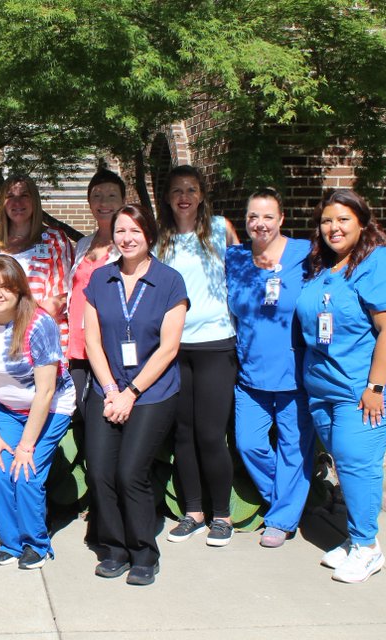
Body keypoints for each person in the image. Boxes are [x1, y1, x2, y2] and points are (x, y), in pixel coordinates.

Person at [295, 189, 386, 583]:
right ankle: (356, 539)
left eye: (343, 219)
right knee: (345, 458)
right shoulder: (324, 267)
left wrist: (376, 387)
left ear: (362, 222)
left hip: (368, 388)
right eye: (327, 220)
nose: (334, 227)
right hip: (326, 387)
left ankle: (367, 548)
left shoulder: (379, 262)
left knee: (355, 457)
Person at [82, 204, 189, 586]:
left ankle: (144, 552)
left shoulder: (170, 281)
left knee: (130, 472)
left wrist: (130, 392)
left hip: (151, 392)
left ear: (150, 235)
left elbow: (168, 348)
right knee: (98, 470)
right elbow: (91, 340)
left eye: (135, 231)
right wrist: (111, 389)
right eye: (121, 231)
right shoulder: (99, 280)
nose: (127, 238)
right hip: (106, 388)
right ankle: (113, 548)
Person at [0, 256, 75, 570]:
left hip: (49, 407)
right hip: (6, 410)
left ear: (19, 289)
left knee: (26, 474)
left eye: (6, 286)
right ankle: (10, 542)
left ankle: (36, 544)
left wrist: (26, 446)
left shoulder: (39, 324)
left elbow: (47, 390)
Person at [156, 165, 242, 547]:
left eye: (191, 189)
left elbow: (243, 279)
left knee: (211, 433)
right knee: (184, 435)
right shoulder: (160, 238)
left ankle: (222, 515)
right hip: (174, 348)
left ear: (202, 194)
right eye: (177, 190)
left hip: (215, 343)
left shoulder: (221, 229)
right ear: (168, 197)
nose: (184, 196)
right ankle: (193, 512)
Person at [225, 188, 314, 549]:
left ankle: (281, 519)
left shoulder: (305, 254)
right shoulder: (235, 258)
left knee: (294, 447)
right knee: (248, 443)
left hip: (294, 375)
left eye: (267, 216)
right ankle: (288, 497)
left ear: (281, 219)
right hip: (249, 376)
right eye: (252, 216)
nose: (259, 223)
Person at [0, 176, 73, 350]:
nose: (17, 202)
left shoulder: (53, 240)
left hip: (40, 341)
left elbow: (58, 298)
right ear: (2, 203)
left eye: (24, 195)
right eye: (10, 196)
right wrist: (0, 331)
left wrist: (19, 331)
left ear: (34, 201)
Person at [68, 169, 123, 412]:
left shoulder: (128, 245)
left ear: (123, 201)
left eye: (112, 196)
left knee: (105, 409)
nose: (104, 203)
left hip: (108, 345)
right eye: (97, 196)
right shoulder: (82, 244)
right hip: (77, 345)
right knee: (78, 407)